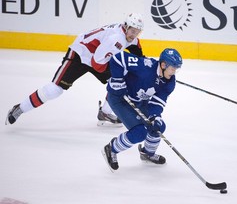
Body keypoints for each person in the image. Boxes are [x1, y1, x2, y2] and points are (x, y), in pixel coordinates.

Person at [5, 13, 145, 126]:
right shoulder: (117, 39)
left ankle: (105, 113)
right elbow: (97, 63)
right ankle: (20, 108)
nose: (134, 34)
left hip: (99, 56)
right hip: (80, 54)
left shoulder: (130, 37)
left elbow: (138, 52)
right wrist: (118, 73)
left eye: (137, 32)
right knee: (55, 90)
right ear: (125, 27)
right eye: (132, 30)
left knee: (119, 82)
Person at [102, 48, 183, 171]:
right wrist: (118, 79)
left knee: (158, 127)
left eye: (176, 69)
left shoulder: (169, 82)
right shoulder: (145, 66)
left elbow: (157, 102)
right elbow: (118, 58)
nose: (174, 72)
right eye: (173, 68)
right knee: (139, 133)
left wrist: (155, 116)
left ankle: (147, 154)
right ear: (163, 65)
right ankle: (111, 149)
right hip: (119, 98)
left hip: (138, 101)